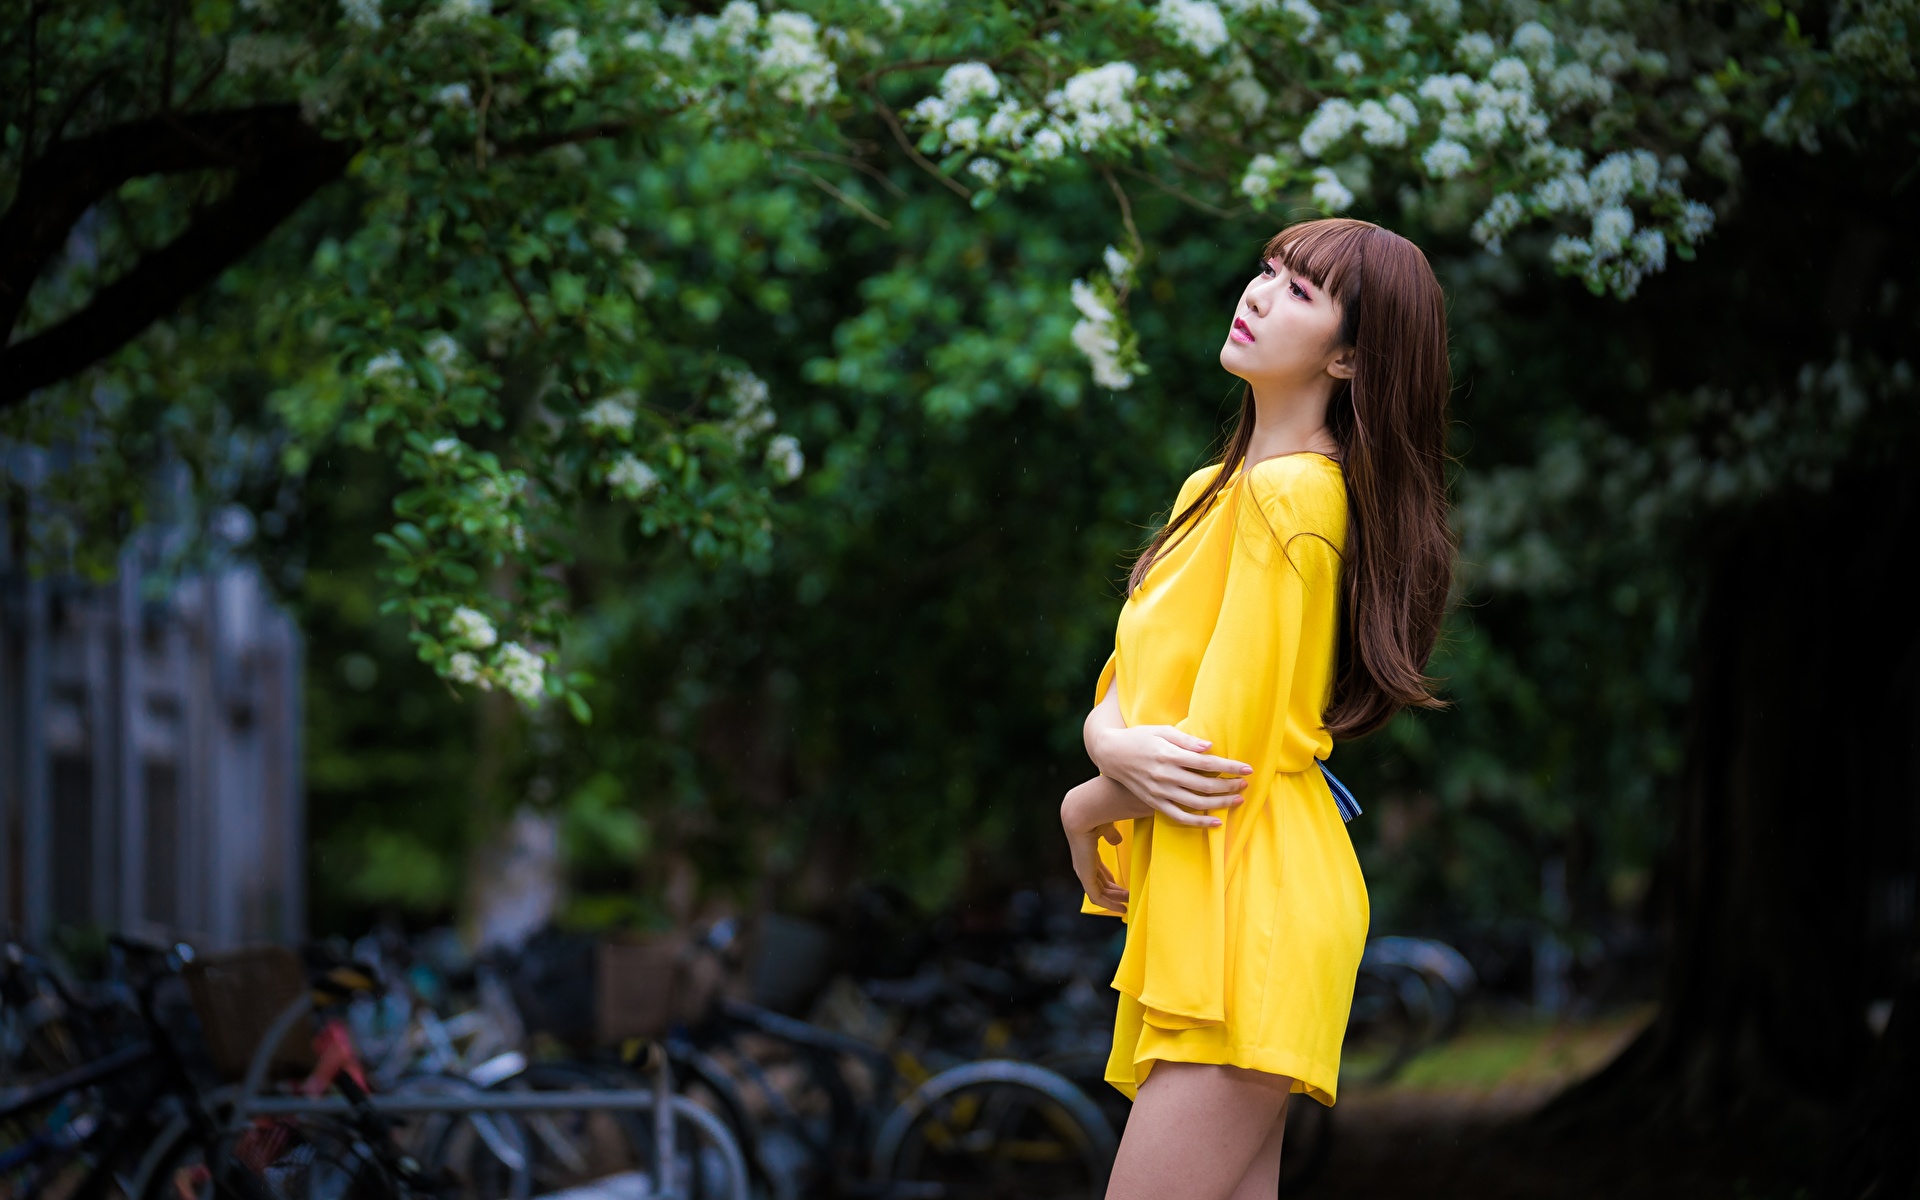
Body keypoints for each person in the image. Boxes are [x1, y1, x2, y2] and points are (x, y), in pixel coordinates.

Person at [1059, 217, 1453, 1200]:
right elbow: (1125, 688)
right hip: (1219, 898)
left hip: (1254, 907)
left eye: (1303, 292)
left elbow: (1208, 751)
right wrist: (1102, 749)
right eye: (1268, 271)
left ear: (1352, 358)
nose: (1260, 293)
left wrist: (1084, 806)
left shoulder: (1296, 501)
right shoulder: (1216, 489)